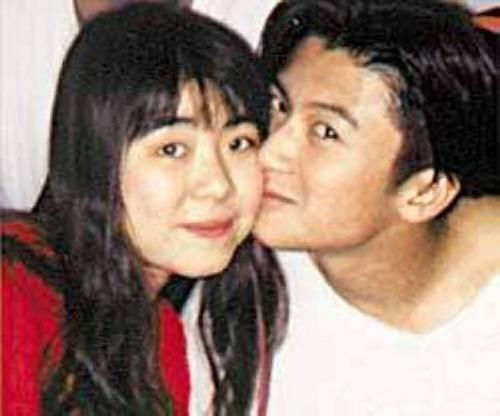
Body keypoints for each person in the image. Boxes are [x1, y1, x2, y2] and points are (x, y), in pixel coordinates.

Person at [1, 4, 287, 416]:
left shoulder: (161, 339)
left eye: (239, 143)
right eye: (172, 149)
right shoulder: (14, 293)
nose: (218, 185)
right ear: (95, 159)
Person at [252, 0, 498, 414]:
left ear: (424, 192)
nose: (269, 151)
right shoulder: (228, 266)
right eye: (280, 107)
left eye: (325, 132)